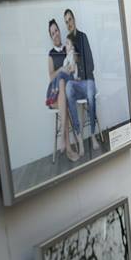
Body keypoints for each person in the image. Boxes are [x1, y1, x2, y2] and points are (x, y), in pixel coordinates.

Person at [63, 9, 101, 151]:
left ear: (74, 19)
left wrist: (81, 73)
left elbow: (90, 63)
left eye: (70, 20)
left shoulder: (83, 37)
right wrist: (71, 72)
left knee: (90, 95)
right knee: (68, 89)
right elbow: (67, 66)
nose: (68, 23)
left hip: (87, 80)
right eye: (66, 22)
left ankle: (92, 135)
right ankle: (79, 137)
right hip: (76, 83)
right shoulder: (67, 41)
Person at [46, 19, 81, 162]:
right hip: (55, 94)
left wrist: (71, 68)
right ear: (51, 36)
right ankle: (68, 148)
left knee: (64, 91)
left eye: (56, 30)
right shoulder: (51, 54)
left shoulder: (67, 48)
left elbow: (74, 65)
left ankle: (65, 142)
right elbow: (51, 77)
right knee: (60, 83)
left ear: (60, 31)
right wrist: (60, 69)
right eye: (52, 33)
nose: (55, 34)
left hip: (68, 90)